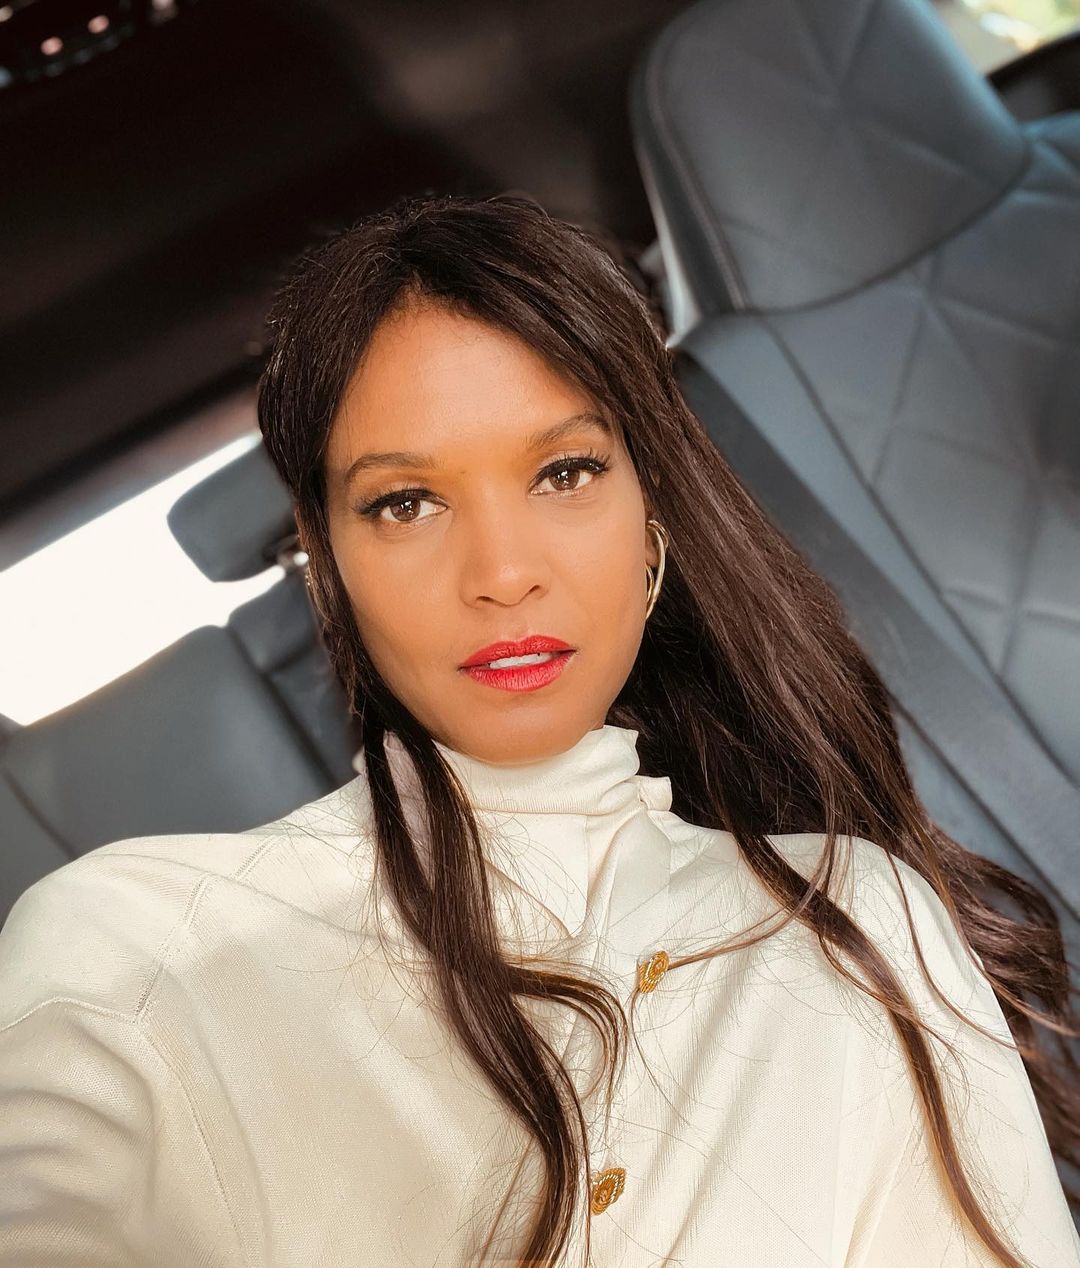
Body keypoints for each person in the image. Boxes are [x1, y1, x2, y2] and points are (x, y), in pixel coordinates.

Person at [1, 191, 1078, 1268]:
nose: (504, 571)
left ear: (651, 518)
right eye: (406, 502)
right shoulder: (133, 948)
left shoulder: (857, 916)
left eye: (566, 473)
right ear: (329, 563)